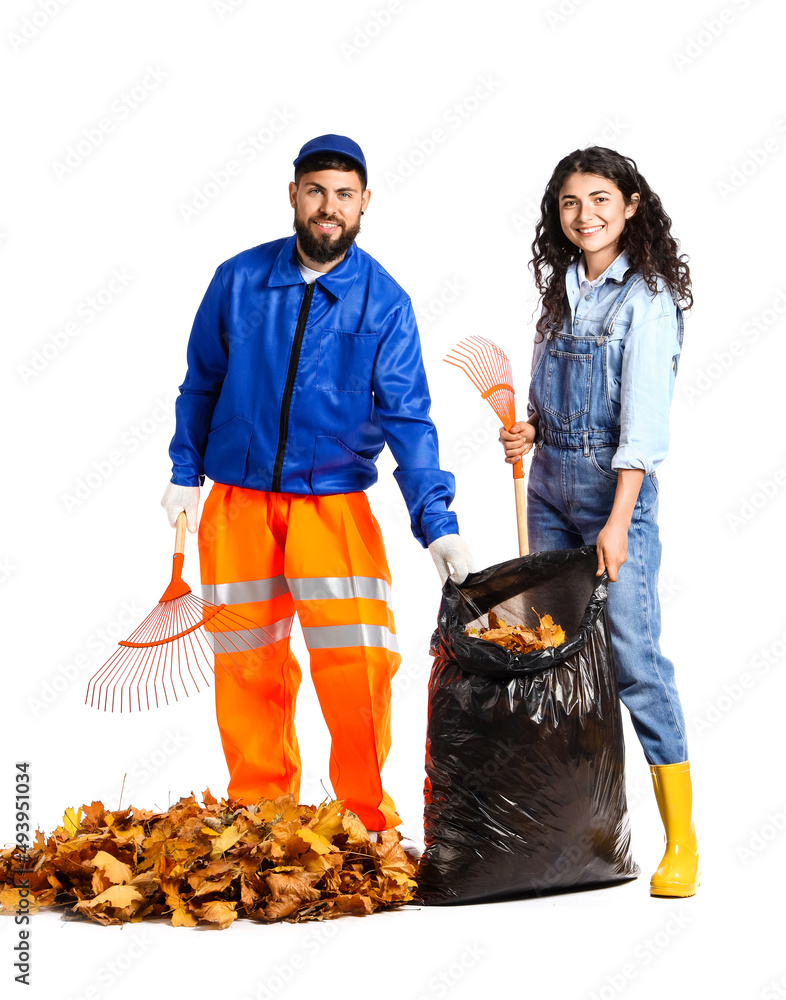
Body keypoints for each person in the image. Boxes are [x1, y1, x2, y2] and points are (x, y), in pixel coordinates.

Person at [161, 134, 474, 834]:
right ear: (293, 195)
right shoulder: (238, 281)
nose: (328, 207)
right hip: (237, 508)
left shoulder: (383, 302)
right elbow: (201, 384)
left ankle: (366, 824)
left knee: (358, 668)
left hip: (332, 510)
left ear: (364, 204)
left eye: (343, 194)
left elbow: (408, 418)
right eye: (315, 191)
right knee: (249, 670)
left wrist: (437, 519)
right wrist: (185, 473)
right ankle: (261, 818)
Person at [500, 146, 699, 897]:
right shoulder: (561, 293)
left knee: (635, 663)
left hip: (613, 499)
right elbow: (555, 407)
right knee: (552, 657)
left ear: (632, 206)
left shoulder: (645, 301)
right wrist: (527, 433)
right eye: (570, 203)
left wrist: (617, 524)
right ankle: (566, 835)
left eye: (600, 200)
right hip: (547, 490)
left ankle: (682, 844)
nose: (585, 216)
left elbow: (642, 431)